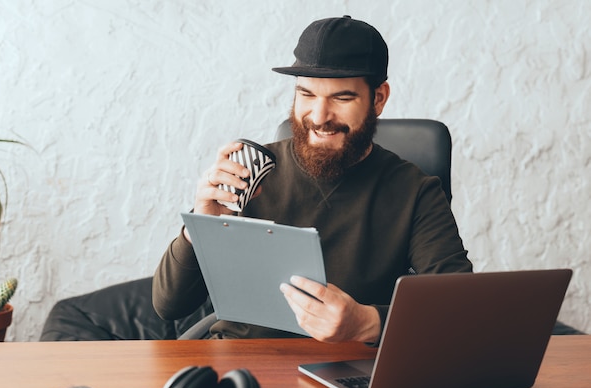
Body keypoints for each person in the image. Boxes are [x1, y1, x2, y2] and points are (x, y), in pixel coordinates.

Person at [152, 15, 473, 345]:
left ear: (378, 99)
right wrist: (197, 229)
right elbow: (169, 306)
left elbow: (460, 309)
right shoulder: (249, 172)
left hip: (344, 371)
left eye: (342, 98)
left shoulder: (414, 191)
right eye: (306, 94)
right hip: (239, 368)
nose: (319, 117)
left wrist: (370, 322)